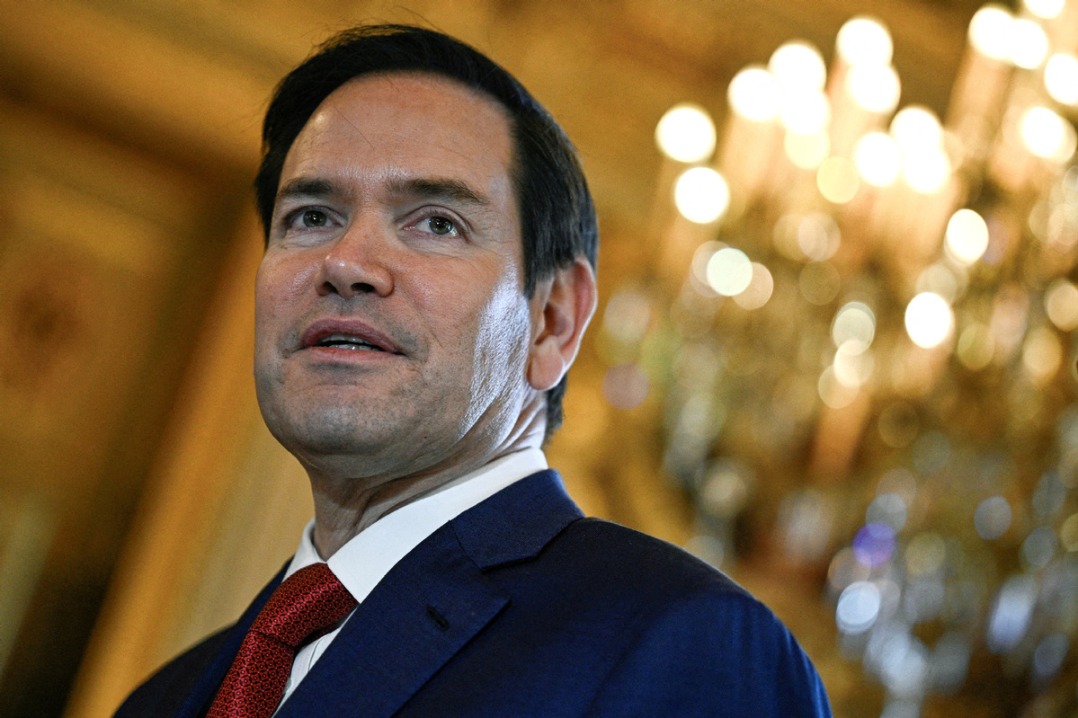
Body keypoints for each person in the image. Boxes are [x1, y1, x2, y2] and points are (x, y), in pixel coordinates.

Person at [116, 24, 831, 717]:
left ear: (553, 320)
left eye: (436, 223)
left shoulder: (686, 642)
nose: (346, 263)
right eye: (311, 217)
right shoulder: (163, 698)